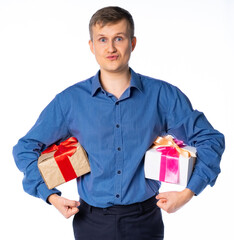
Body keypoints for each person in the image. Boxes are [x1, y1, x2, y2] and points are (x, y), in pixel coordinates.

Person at [13, 6, 225, 240]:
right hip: (90, 223)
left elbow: (210, 139)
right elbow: (25, 148)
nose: (111, 48)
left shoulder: (162, 95)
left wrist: (187, 194)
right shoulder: (70, 101)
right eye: (102, 39)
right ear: (92, 46)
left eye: (119, 38)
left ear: (132, 43)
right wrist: (50, 195)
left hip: (145, 221)